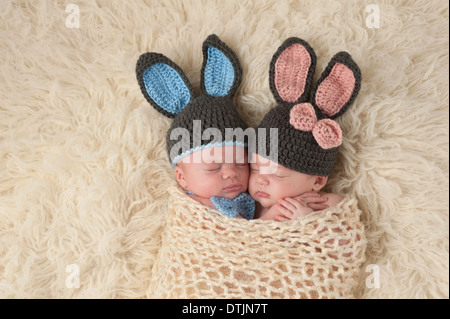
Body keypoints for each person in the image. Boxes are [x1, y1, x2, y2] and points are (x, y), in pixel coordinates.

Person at [250, 37, 361, 222]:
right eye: (254, 168)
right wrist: (267, 219)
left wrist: (308, 221)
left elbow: (350, 247)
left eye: (277, 174)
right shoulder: (251, 208)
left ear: (317, 181)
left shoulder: (327, 204)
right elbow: (238, 243)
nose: (261, 180)